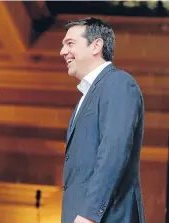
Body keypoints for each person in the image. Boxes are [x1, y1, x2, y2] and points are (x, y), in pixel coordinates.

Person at [59, 18, 146, 223]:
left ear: (96, 46)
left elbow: (113, 151)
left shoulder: (119, 82)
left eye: (70, 43)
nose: (62, 51)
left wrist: (89, 215)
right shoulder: (86, 97)